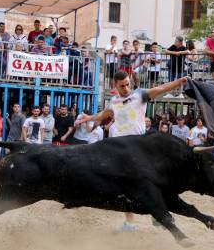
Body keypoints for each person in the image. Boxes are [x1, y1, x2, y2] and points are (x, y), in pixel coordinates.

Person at [75, 71, 188, 232]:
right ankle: (130, 223)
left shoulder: (139, 95)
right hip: (121, 149)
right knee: (125, 186)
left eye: (128, 84)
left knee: (154, 181)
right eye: (122, 85)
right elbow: (104, 114)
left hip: (140, 146)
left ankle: (158, 215)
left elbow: (161, 88)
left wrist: (179, 81)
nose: (126, 88)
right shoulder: (114, 101)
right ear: (115, 85)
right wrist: (89, 118)